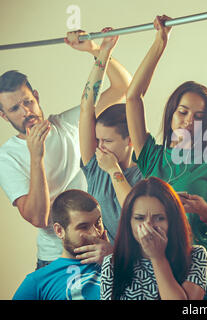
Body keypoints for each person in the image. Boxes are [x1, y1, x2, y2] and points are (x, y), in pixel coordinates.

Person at [126, 15, 207, 300]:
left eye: (199, 117)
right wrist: (160, 42)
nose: (189, 121)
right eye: (183, 111)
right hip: (161, 277)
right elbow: (132, 97)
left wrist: (206, 213)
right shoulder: (151, 155)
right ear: (172, 112)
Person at [0, 29, 130, 270]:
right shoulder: (7, 157)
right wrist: (36, 156)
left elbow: (123, 87)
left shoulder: (68, 124)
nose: (26, 111)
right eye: (15, 108)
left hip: (99, 249)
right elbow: (38, 218)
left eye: (28, 101)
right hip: (55, 259)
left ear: (36, 97)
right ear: (3, 115)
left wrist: (95, 50)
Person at [78, 27, 142, 252]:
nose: (99, 146)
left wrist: (114, 170)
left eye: (108, 141)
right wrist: (101, 53)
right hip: (102, 271)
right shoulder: (95, 165)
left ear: (130, 141)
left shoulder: (147, 173)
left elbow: (137, 217)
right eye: (98, 140)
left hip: (140, 273)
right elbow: (87, 108)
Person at [100, 177, 207, 300]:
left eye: (159, 218)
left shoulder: (196, 255)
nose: (148, 226)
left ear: (172, 221)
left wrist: (157, 257)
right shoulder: (112, 263)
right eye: (139, 218)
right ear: (128, 221)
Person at [13, 189, 107, 300]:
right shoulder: (38, 281)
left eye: (98, 223)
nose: (95, 233)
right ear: (59, 231)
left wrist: (114, 260)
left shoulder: (119, 262)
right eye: (83, 227)